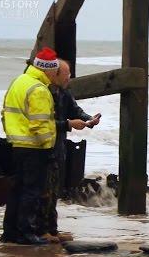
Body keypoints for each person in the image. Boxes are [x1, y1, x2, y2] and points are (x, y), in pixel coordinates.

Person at [0, 47, 63, 245]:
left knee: (17, 190)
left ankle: (10, 233)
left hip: (17, 145)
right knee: (31, 192)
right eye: (55, 70)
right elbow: (39, 124)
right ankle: (27, 234)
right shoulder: (38, 90)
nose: (57, 74)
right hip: (35, 148)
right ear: (48, 70)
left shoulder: (18, 82)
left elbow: (4, 114)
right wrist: (48, 147)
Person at [38, 59, 101, 243]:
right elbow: (42, 125)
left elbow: (75, 110)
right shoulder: (42, 93)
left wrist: (89, 119)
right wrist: (68, 124)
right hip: (42, 148)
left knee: (53, 191)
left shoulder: (64, 92)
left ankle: (52, 231)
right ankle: (42, 232)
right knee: (43, 192)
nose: (70, 77)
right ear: (55, 74)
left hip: (58, 149)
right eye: (67, 74)